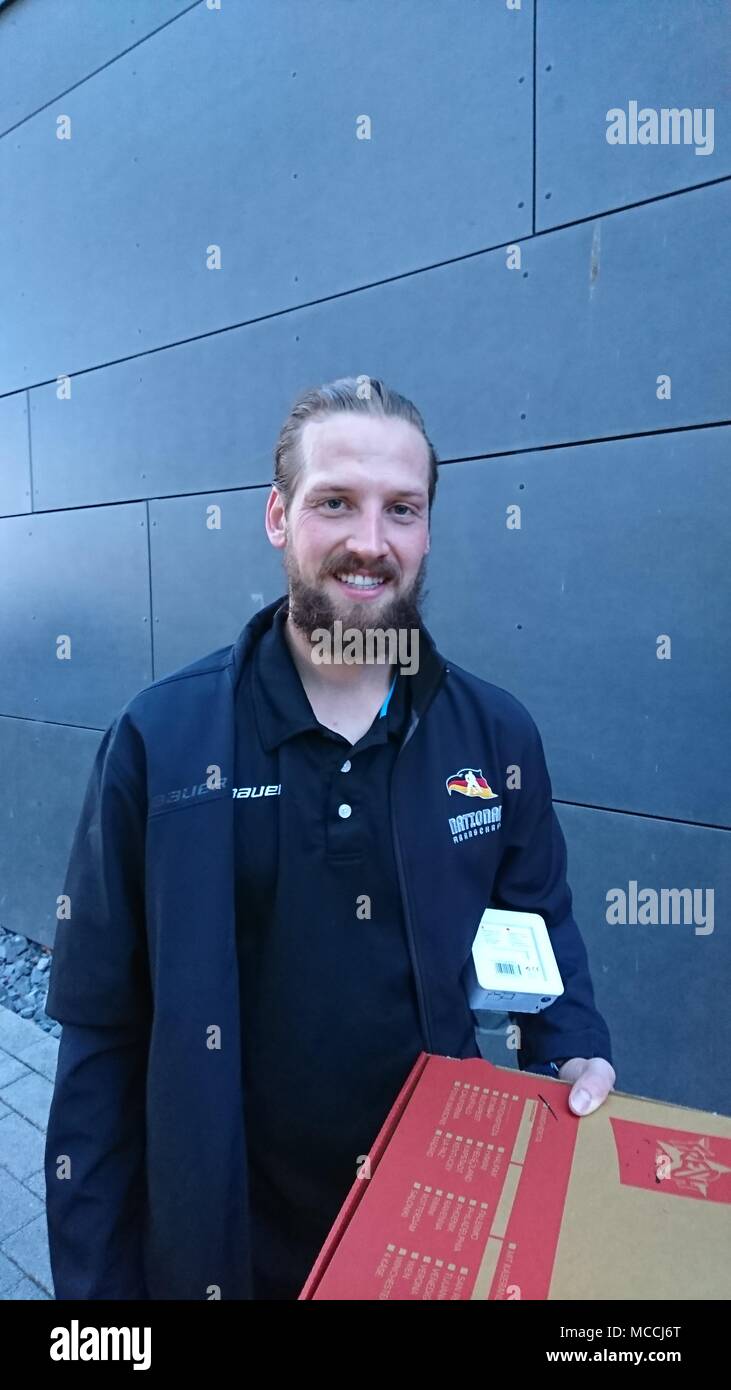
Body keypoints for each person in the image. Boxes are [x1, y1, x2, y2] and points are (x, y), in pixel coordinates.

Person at [45, 376, 614, 1301]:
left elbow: (538, 923)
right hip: (223, 1248)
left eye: (402, 509)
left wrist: (568, 1046)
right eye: (334, 503)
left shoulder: (493, 736)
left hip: (430, 1227)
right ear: (277, 516)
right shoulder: (163, 740)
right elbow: (101, 1040)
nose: (368, 541)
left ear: (428, 531)